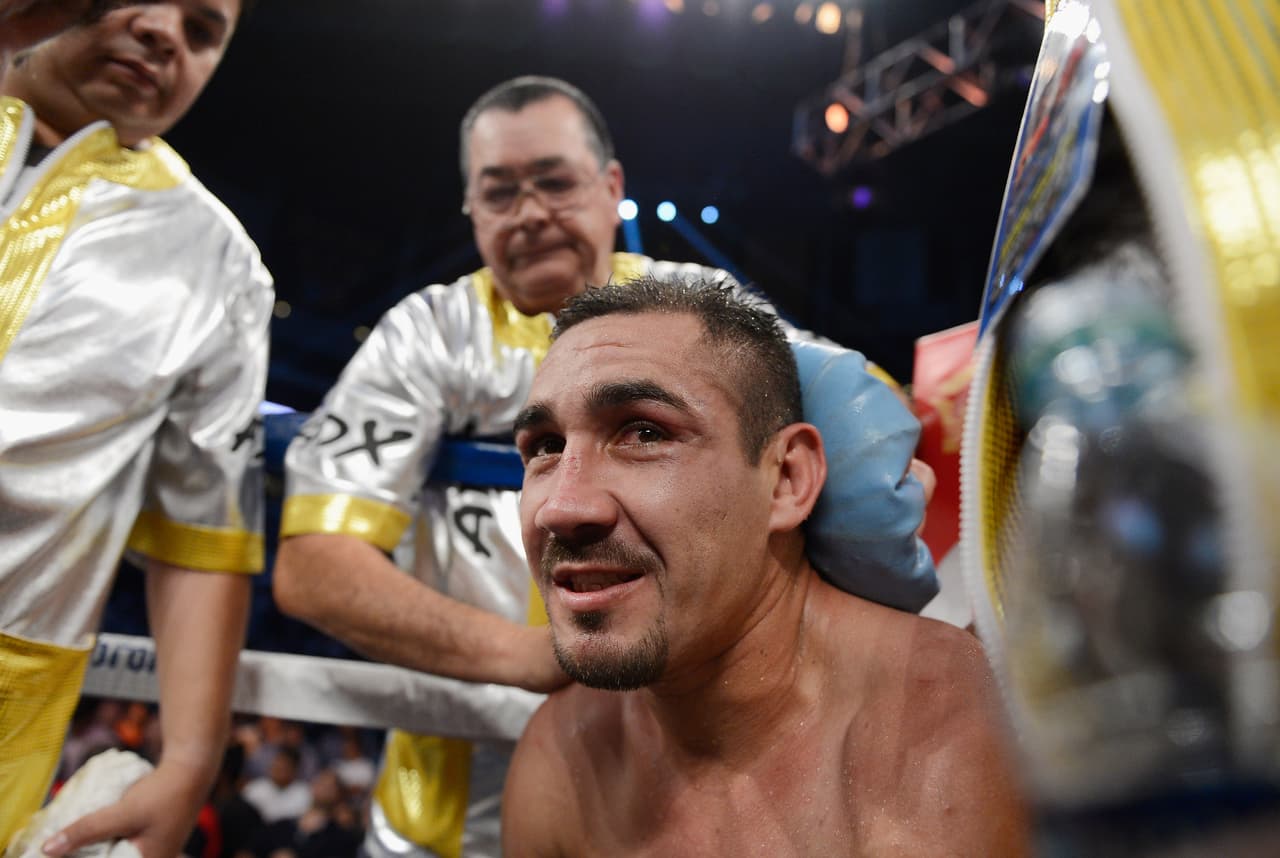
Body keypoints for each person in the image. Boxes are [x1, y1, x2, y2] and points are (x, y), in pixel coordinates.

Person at [275, 76, 933, 858]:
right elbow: (314, 568)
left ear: (610, 186)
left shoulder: (692, 306)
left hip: (660, 798)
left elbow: (876, 419)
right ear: (472, 211)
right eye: (499, 193)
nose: (528, 213)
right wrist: (538, 656)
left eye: (553, 182)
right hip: (439, 825)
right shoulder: (425, 333)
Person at [502, 277, 1028, 856]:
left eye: (644, 433)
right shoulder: (562, 756)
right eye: (545, 446)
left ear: (786, 480)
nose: (563, 507)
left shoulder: (951, 729)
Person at [0, 1, 271, 855]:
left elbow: (204, 534)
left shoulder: (215, 261)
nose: (163, 32)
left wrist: (189, 761)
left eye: (202, 28)